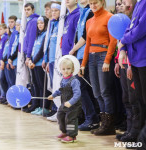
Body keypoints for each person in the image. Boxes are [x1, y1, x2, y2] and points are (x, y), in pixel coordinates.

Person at [80, 0, 117, 135]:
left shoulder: (109, 17)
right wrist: (83, 64)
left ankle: (109, 125)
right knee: (96, 92)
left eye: (96, 2)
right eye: (91, 3)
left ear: (102, 2)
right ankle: (103, 122)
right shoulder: (89, 21)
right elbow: (87, 44)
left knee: (105, 91)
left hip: (103, 56)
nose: (93, 5)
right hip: (92, 58)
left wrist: (108, 59)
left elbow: (113, 41)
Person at [118, 0, 146, 143]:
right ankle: (139, 135)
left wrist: (123, 41)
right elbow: (130, 27)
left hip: (143, 58)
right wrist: (123, 48)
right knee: (139, 100)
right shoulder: (139, 4)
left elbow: (141, 28)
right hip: (135, 59)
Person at [69, 0, 99, 131]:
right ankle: (92, 118)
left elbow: (86, 36)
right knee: (83, 87)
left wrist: (73, 49)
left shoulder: (90, 12)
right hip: (81, 55)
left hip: (87, 55)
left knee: (82, 87)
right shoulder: (83, 13)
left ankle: (92, 118)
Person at [48, 57, 82, 143]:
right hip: (64, 104)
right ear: (60, 69)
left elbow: (77, 94)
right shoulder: (63, 79)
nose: (66, 71)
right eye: (63, 69)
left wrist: (71, 102)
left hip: (73, 105)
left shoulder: (74, 81)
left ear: (72, 69)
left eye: (68, 69)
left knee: (70, 119)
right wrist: (53, 95)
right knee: (60, 116)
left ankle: (71, 135)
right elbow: (61, 90)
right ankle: (64, 132)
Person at [28, 16, 51, 115]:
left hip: (40, 64)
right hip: (34, 64)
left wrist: (34, 61)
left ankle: (44, 107)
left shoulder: (46, 34)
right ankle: (38, 106)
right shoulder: (38, 35)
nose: (39, 25)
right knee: (37, 85)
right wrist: (30, 60)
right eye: (38, 23)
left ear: (45, 24)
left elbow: (42, 50)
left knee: (43, 86)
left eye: (41, 23)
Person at [6, 15, 18, 87]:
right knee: (10, 81)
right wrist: (8, 59)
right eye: (9, 22)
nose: (10, 24)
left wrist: (11, 59)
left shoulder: (16, 33)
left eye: (12, 22)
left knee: (14, 81)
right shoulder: (10, 34)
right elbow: (9, 49)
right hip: (10, 60)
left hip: (14, 60)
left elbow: (15, 48)